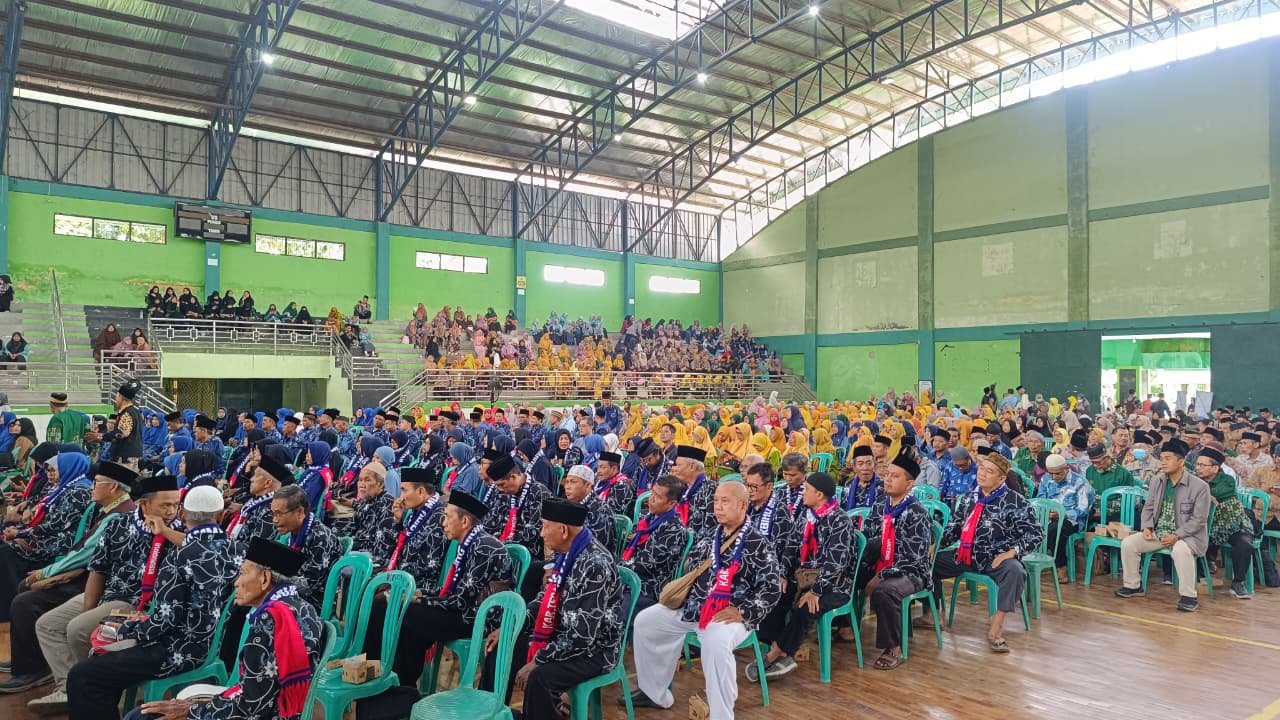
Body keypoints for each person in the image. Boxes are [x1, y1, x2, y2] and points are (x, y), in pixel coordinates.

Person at [66, 486, 237, 720]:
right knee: (104, 666)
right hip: (212, 646)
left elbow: (164, 622)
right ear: (220, 515)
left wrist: (123, 629)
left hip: (177, 650)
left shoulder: (178, 557)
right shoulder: (238, 551)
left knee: (83, 675)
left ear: (183, 515)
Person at [628, 482, 782, 720]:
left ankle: (722, 715)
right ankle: (654, 693)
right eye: (716, 501)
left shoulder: (758, 543)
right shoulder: (713, 534)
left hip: (729, 614)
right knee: (647, 621)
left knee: (715, 642)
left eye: (725, 502)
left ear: (743, 505)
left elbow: (771, 588)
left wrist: (743, 612)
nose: (718, 507)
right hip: (695, 607)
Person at [129, 538, 324, 720]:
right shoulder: (302, 607)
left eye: (243, 573)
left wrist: (192, 710)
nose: (236, 582)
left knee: (142, 715)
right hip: (279, 708)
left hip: (266, 713)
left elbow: (252, 705)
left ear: (264, 578)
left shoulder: (271, 619)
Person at [3, 462, 140, 704]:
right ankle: (30, 662)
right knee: (24, 589)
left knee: (26, 601)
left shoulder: (119, 515)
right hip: (86, 574)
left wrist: (48, 573)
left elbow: (85, 555)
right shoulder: (109, 509)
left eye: (97, 482)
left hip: (95, 582)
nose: (92, 487)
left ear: (114, 487)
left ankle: (36, 670)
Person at [489, 497, 623, 720]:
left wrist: (541, 658)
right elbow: (544, 599)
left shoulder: (594, 565)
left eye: (545, 526)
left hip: (595, 649)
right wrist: (511, 627)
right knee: (503, 647)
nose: (541, 533)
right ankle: (492, 711)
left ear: (562, 530)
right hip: (563, 635)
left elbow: (582, 636)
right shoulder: (568, 553)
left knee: (540, 677)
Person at [934, 451, 1043, 653]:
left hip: (996, 557)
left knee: (1015, 571)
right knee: (929, 563)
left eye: (989, 471)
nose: (982, 474)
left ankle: (997, 626)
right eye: (982, 468)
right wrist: (937, 544)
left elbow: (1035, 533)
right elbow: (955, 527)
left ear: (1001, 478)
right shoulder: (969, 498)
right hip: (968, 554)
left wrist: (1012, 552)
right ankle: (932, 612)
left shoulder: (1015, 501)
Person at [754, 471, 852, 680]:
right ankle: (778, 648)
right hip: (803, 578)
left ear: (819, 495)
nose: (803, 493)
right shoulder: (806, 516)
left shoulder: (839, 520)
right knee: (772, 595)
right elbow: (791, 548)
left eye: (807, 489)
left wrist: (816, 591)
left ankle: (777, 653)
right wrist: (781, 575)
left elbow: (836, 562)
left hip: (833, 584)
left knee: (806, 607)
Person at [854, 451, 935, 670]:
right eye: (887, 474)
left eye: (895, 476)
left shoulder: (916, 512)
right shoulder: (882, 505)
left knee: (884, 590)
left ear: (909, 484)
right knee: (847, 574)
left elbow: (913, 558)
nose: (888, 479)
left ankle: (894, 648)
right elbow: (870, 536)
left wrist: (880, 575)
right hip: (881, 564)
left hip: (912, 573)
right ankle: (845, 628)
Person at [1115, 439, 1211, 612]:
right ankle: (1133, 586)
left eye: (1168, 458)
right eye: (1162, 458)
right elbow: (1149, 507)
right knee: (1129, 543)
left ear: (1181, 461)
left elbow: (1199, 519)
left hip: (1188, 536)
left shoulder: (1200, 486)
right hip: (1160, 532)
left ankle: (1189, 596)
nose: (1163, 462)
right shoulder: (1157, 480)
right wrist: (1147, 527)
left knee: (1181, 550)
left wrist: (1177, 535)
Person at [0, 451, 94, 620]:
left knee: (6, 553)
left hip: (60, 541)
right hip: (51, 535)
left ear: (67, 468)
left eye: (53, 470)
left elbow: (53, 525)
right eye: (48, 470)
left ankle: (6, 609)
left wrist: (20, 532)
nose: (50, 474)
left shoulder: (78, 492)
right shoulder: (64, 487)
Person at [620, 475, 689, 614]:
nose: (651, 499)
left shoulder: (674, 530)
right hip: (630, 576)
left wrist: (617, 566)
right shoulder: (648, 518)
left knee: (615, 609)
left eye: (657, 497)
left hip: (648, 587)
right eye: (652, 493)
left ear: (671, 503)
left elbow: (647, 564)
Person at [1195, 446, 1256, 599]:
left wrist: (1206, 495)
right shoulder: (1194, 480)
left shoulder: (1227, 480)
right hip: (1207, 526)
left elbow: (1214, 493)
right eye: (1197, 464)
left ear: (1215, 468)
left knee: (1244, 543)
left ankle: (1238, 583)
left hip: (1233, 522)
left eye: (1203, 465)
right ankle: (1201, 576)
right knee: (1193, 539)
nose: (1198, 468)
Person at [489, 454, 551, 600]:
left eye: (502, 485)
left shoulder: (539, 493)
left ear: (514, 477)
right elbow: (494, 521)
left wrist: (503, 545)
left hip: (531, 552)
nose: (500, 490)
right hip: (505, 546)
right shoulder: (505, 493)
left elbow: (533, 533)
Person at [270, 485, 342, 610]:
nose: (274, 520)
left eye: (279, 514)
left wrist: (272, 576)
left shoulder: (320, 538)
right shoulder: (294, 533)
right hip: (295, 593)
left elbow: (308, 586)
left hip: (314, 603)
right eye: (273, 514)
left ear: (299, 512)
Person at [382, 467, 450, 588]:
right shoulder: (414, 511)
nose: (401, 497)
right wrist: (397, 520)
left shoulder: (439, 518)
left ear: (420, 491)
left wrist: (391, 579)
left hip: (416, 585)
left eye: (404, 490)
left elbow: (428, 567)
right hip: (400, 573)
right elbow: (397, 546)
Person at [1036, 453, 1096, 583]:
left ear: (1066, 468)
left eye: (1057, 473)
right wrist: (1046, 510)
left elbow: (1083, 510)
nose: (1053, 477)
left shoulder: (1080, 483)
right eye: (1050, 473)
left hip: (1071, 520)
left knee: (1054, 530)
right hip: (1048, 516)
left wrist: (1062, 513)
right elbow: (1040, 499)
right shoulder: (1046, 479)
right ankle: (1032, 563)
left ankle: (1061, 566)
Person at [348, 461, 396, 570]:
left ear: (381, 484)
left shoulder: (387, 505)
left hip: (372, 559)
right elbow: (352, 529)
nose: (361, 484)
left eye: (367, 480)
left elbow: (381, 551)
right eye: (360, 480)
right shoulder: (366, 501)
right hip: (357, 550)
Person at [561, 464, 616, 553]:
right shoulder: (570, 504)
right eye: (566, 482)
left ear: (588, 485)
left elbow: (596, 549)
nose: (567, 486)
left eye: (573, 482)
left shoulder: (600, 510)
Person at [90, 381, 144, 471]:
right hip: (130, 455)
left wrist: (100, 436)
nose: (116, 399)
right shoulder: (134, 411)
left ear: (121, 397)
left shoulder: (127, 413)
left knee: (123, 483)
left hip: (125, 458)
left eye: (116, 396)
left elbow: (121, 433)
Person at [671, 445, 717, 539]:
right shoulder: (682, 487)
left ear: (692, 467)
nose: (674, 468)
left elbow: (710, 529)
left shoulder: (711, 490)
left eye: (678, 465)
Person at [775, 452, 809, 521]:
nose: (788, 479)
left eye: (793, 475)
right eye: (785, 474)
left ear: (804, 473)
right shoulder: (780, 491)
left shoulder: (812, 493)